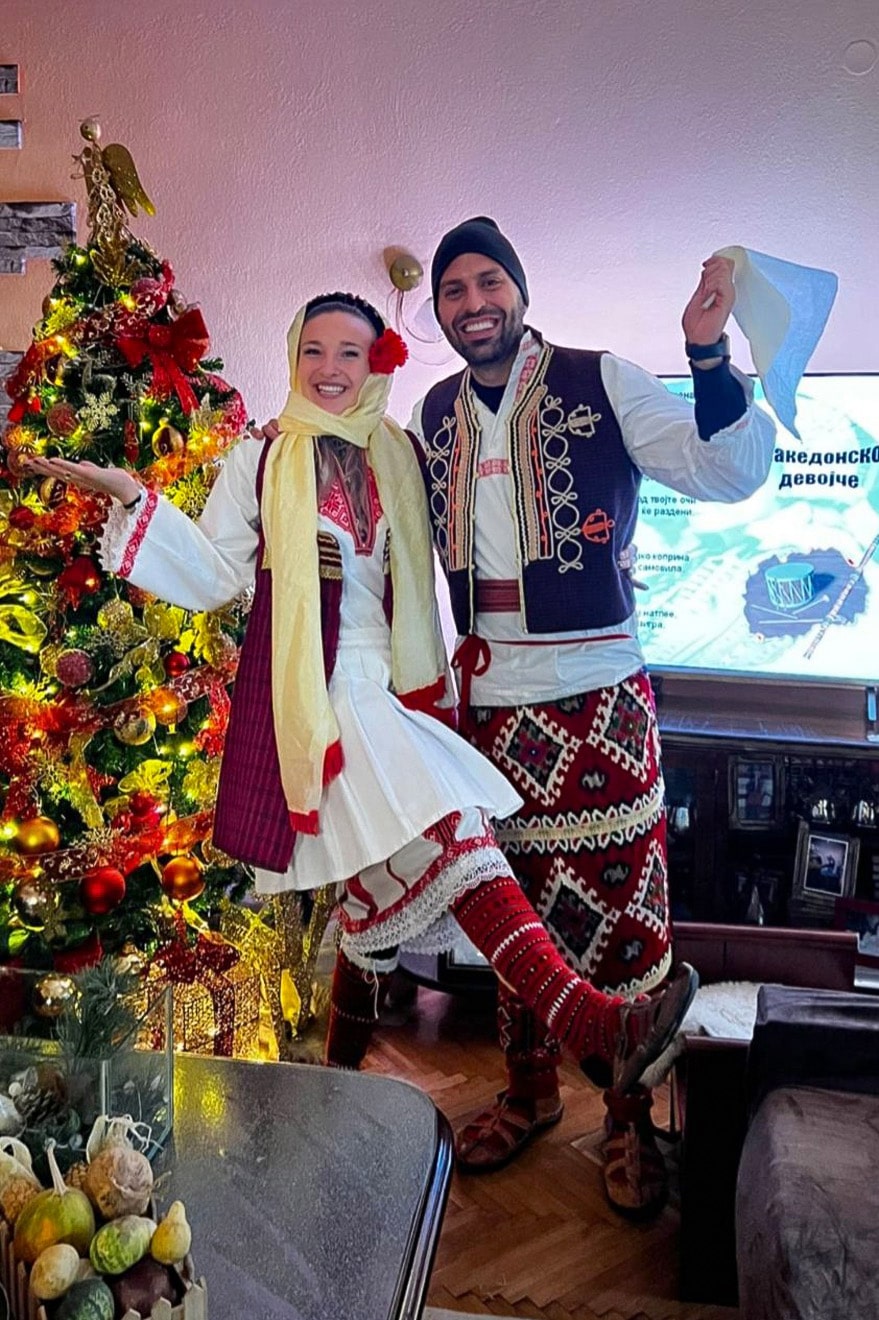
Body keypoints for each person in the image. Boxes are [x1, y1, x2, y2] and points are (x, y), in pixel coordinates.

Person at [24, 291, 696, 1092]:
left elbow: (484, 519)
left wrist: (611, 553)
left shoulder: (402, 451)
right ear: (293, 357)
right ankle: (592, 1023)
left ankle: (331, 1080)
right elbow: (214, 576)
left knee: (373, 902)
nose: (329, 368)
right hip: (316, 693)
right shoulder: (262, 459)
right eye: (313, 350)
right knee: (456, 833)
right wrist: (135, 497)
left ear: (375, 363)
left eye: (349, 352)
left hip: (396, 689)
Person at [406, 218, 777, 1214]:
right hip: (488, 703)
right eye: (453, 291)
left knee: (624, 910)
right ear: (439, 311)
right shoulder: (434, 413)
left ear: (519, 292)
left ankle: (627, 1113)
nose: (473, 303)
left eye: (489, 282)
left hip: (599, 693)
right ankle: (528, 1089)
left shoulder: (600, 378)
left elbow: (726, 471)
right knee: (515, 912)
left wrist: (706, 352)